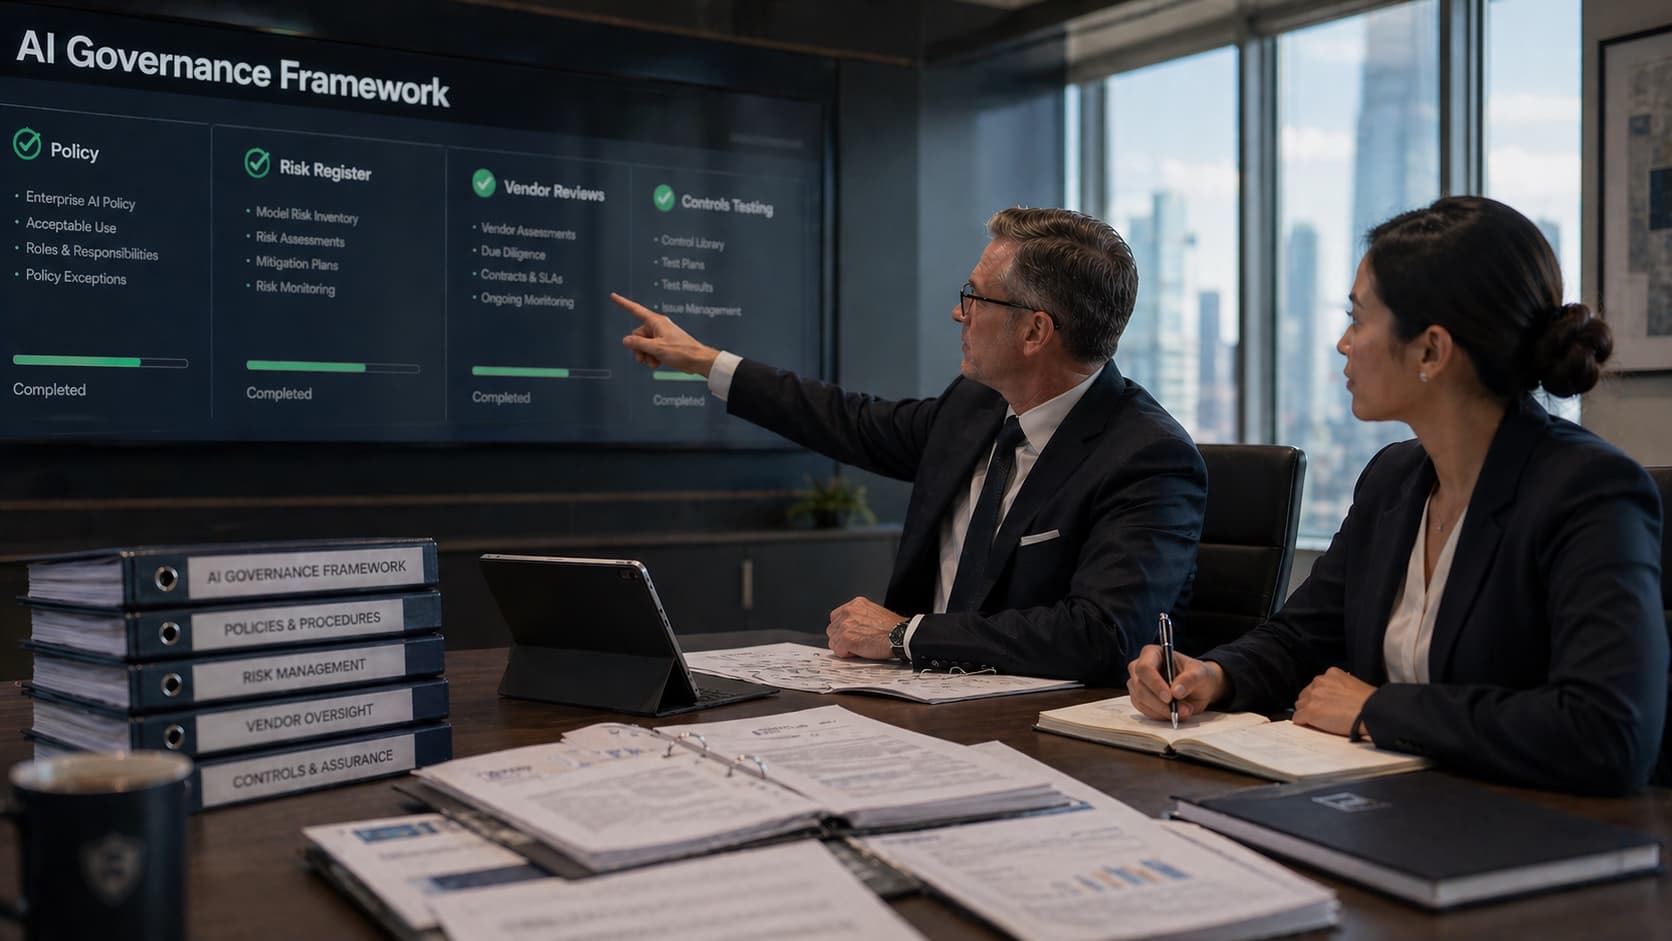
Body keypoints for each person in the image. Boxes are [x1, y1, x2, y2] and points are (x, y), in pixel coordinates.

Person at [1127, 195, 1667, 795]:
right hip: (1400, 809)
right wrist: (1214, 673)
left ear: (1431, 350)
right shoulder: (1395, 478)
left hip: (1535, 837)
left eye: (1358, 320)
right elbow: (1304, 635)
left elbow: (1607, 731)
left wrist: (1375, 711)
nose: (1343, 343)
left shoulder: (1587, 491)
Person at [613, 207, 1207, 682]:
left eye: (975, 297)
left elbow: (1101, 636)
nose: (957, 313)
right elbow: (850, 421)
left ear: (1035, 330)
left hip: (1035, 733)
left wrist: (905, 635)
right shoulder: (974, 407)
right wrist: (706, 363)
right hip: (911, 700)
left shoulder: (1148, 458)